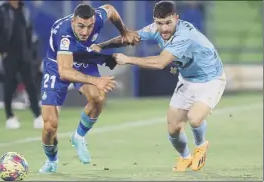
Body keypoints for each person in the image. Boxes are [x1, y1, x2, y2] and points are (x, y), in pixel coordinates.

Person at [93, 1, 226, 172]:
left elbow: (160, 62)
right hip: (187, 79)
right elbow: (129, 37)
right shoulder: (155, 29)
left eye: (168, 23)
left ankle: (201, 146)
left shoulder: (184, 35)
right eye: (159, 23)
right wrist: (101, 46)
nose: (164, 29)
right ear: (155, 21)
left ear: (176, 19)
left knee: (194, 118)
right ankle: (185, 157)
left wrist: (128, 59)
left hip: (211, 79)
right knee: (173, 129)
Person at [39, 3, 139, 173]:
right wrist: (96, 80)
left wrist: (124, 31)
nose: (85, 32)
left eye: (89, 26)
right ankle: (51, 161)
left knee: (98, 97)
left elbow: (110, 9)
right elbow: (65, 72)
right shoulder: (64, 33)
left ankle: (78, 136)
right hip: (57, 66)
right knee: (50, 126)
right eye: (81, 26)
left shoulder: (98, 17)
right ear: (73, 22)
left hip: (83, 58)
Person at [0, 0, 43, 129]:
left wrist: (31, 50)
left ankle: (38, 115)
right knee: (9, 84)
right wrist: (1, 50)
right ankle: (9, 116)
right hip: (9, 54)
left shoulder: (24, 8)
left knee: (30, 83)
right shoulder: (2, 9)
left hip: (24, 53)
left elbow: (29, 29)